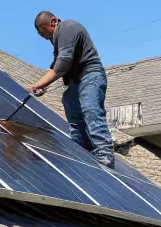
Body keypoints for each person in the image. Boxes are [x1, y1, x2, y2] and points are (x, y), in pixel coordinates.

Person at [27, 11, 114, 167]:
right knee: (70, 104)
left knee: (90, 108)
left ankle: (104, 152)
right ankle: (82, 149)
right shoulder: (59, 40)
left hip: (90, 75)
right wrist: (44, 85)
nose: (44, 36)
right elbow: (57, 65)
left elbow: (63, 63)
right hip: (75, 81)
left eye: (43, 30)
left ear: (53, 22)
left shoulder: (67, 27)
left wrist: (37, 85)